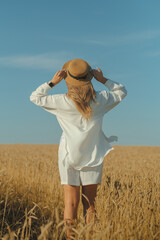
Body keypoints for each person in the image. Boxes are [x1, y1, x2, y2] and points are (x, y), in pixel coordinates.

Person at [30, 58, 127, 239]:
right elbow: (121, 91)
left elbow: (35, 97)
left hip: (68, 157)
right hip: (93, 157)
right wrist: (103, 80)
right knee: (90, 205)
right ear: (89, 77)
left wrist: (52, 82)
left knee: (71, 205)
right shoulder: (101, 100)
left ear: (67, 79)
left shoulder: (61, 102)